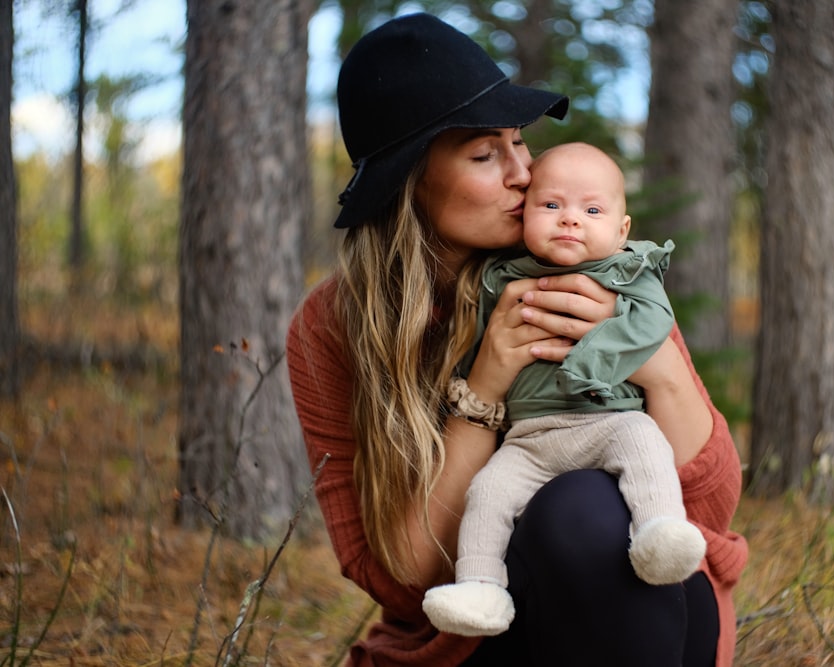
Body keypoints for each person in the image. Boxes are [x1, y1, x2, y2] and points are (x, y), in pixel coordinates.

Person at [285, 12, 748, 667]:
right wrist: (485, 386)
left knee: (581, 508)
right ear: (409, 185)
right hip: (475, 633)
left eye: (519, 142)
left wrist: (656, 363)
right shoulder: (334, 327)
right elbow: (401, 577)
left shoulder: (590, 262)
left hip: (647, 608)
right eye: (485, 154)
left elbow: (710, 504)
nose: (523, 173)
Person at [422, 142, 706, 638]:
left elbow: (654, 323)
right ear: (524, 214)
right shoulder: (501, 275)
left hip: (607, 421)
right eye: (551, 206)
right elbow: (472, 340)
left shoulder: (627, 271)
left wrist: (594, 354)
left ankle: (658, 531)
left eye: (591, 210)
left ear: (622, 230)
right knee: (488, 491)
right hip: (529, 437)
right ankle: (480, 585)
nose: (570, 220)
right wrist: (474, 382)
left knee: (643, 440)